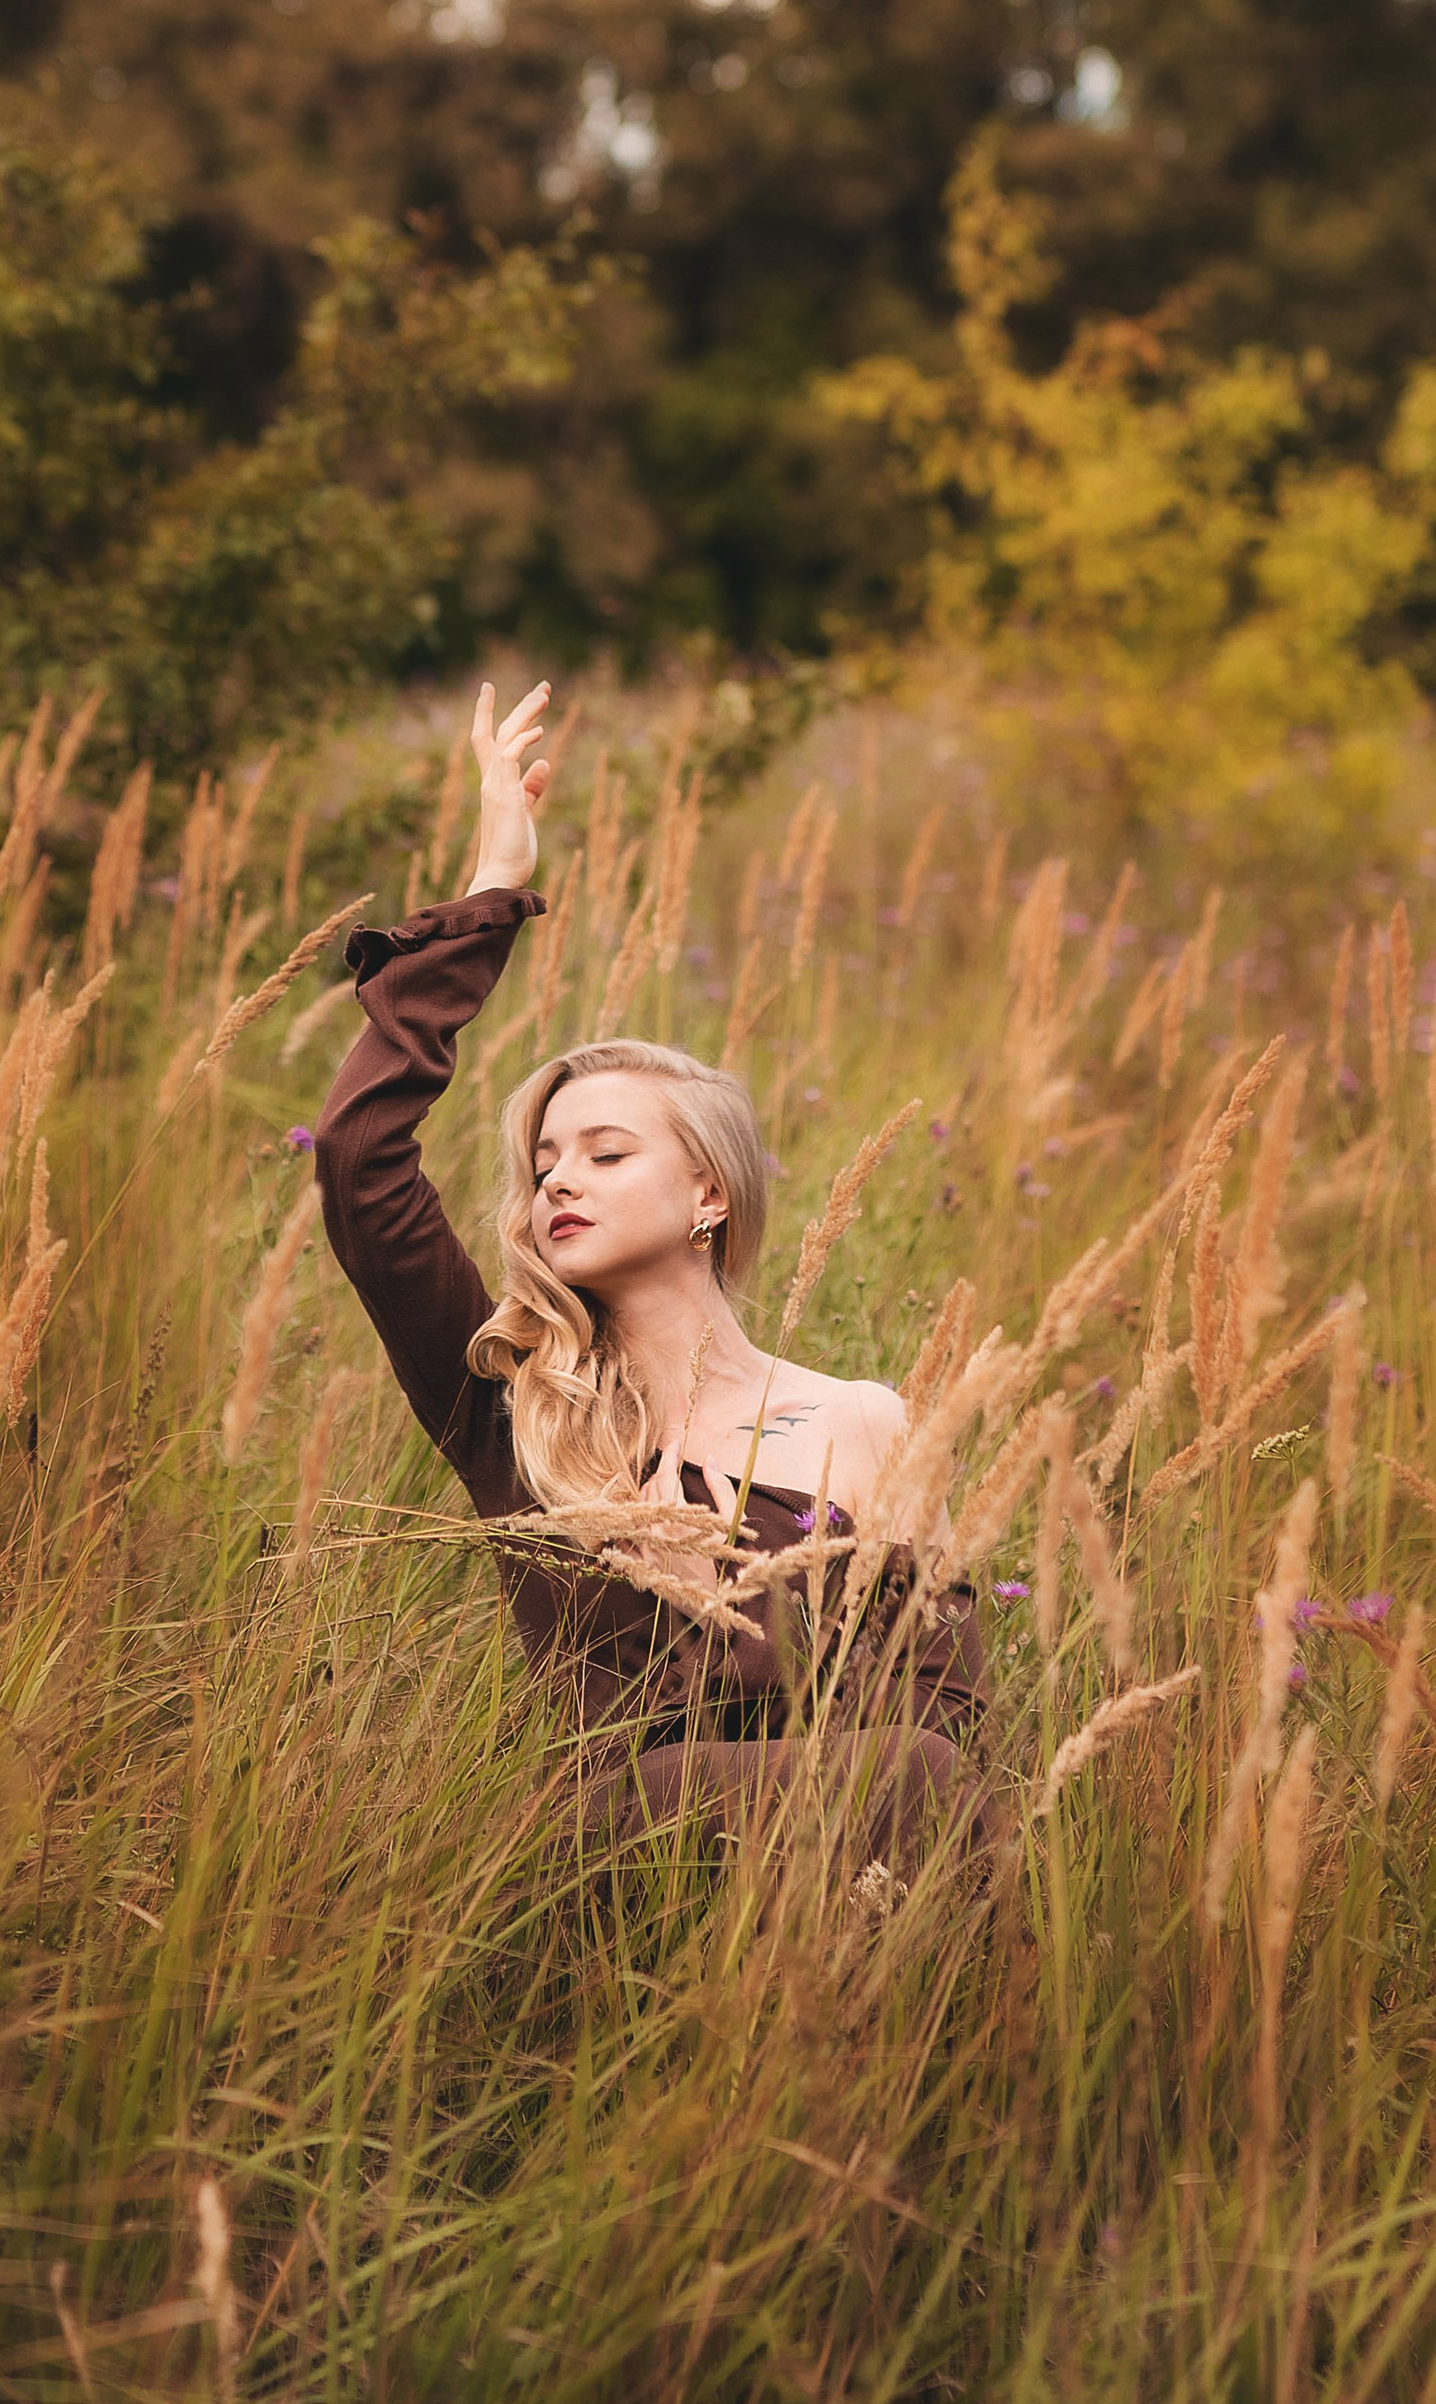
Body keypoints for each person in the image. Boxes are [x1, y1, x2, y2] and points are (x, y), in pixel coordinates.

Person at [314, 677, 985, 1846]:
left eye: (606, 1152)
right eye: (543, 1162)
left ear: (708, 1194)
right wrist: (488, 890)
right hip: (625, 1853)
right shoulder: (511, 1402)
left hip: (850, 1851)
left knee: (929, 1769)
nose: (557, 1179)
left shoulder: (864, 1421)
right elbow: (361, 1166)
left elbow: (954, 1708)